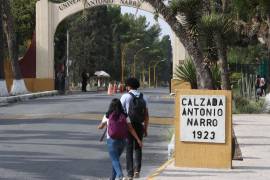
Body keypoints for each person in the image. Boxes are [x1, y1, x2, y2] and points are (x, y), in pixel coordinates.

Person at [98, 98, 142, 180]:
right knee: (116, 160)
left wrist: (100, 126)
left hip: (112, 141)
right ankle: (112, 178)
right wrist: (138, 139)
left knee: (115, 160)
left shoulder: (107, 114)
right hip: (123, 141)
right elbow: (131, 129)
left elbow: (100, 127)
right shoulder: (125, 115)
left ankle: (121, 176)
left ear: (111, 105)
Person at [120, 77, 149, 179]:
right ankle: (137, 171)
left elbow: (120, 112)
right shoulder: (144, 97)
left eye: (126, 85)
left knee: (129, 149)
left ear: (129, 86)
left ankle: (130, 174)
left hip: (128, 125)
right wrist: (145, 128)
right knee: (138, 147)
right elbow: (146, 115)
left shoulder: (125, 97)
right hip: (139, 125)